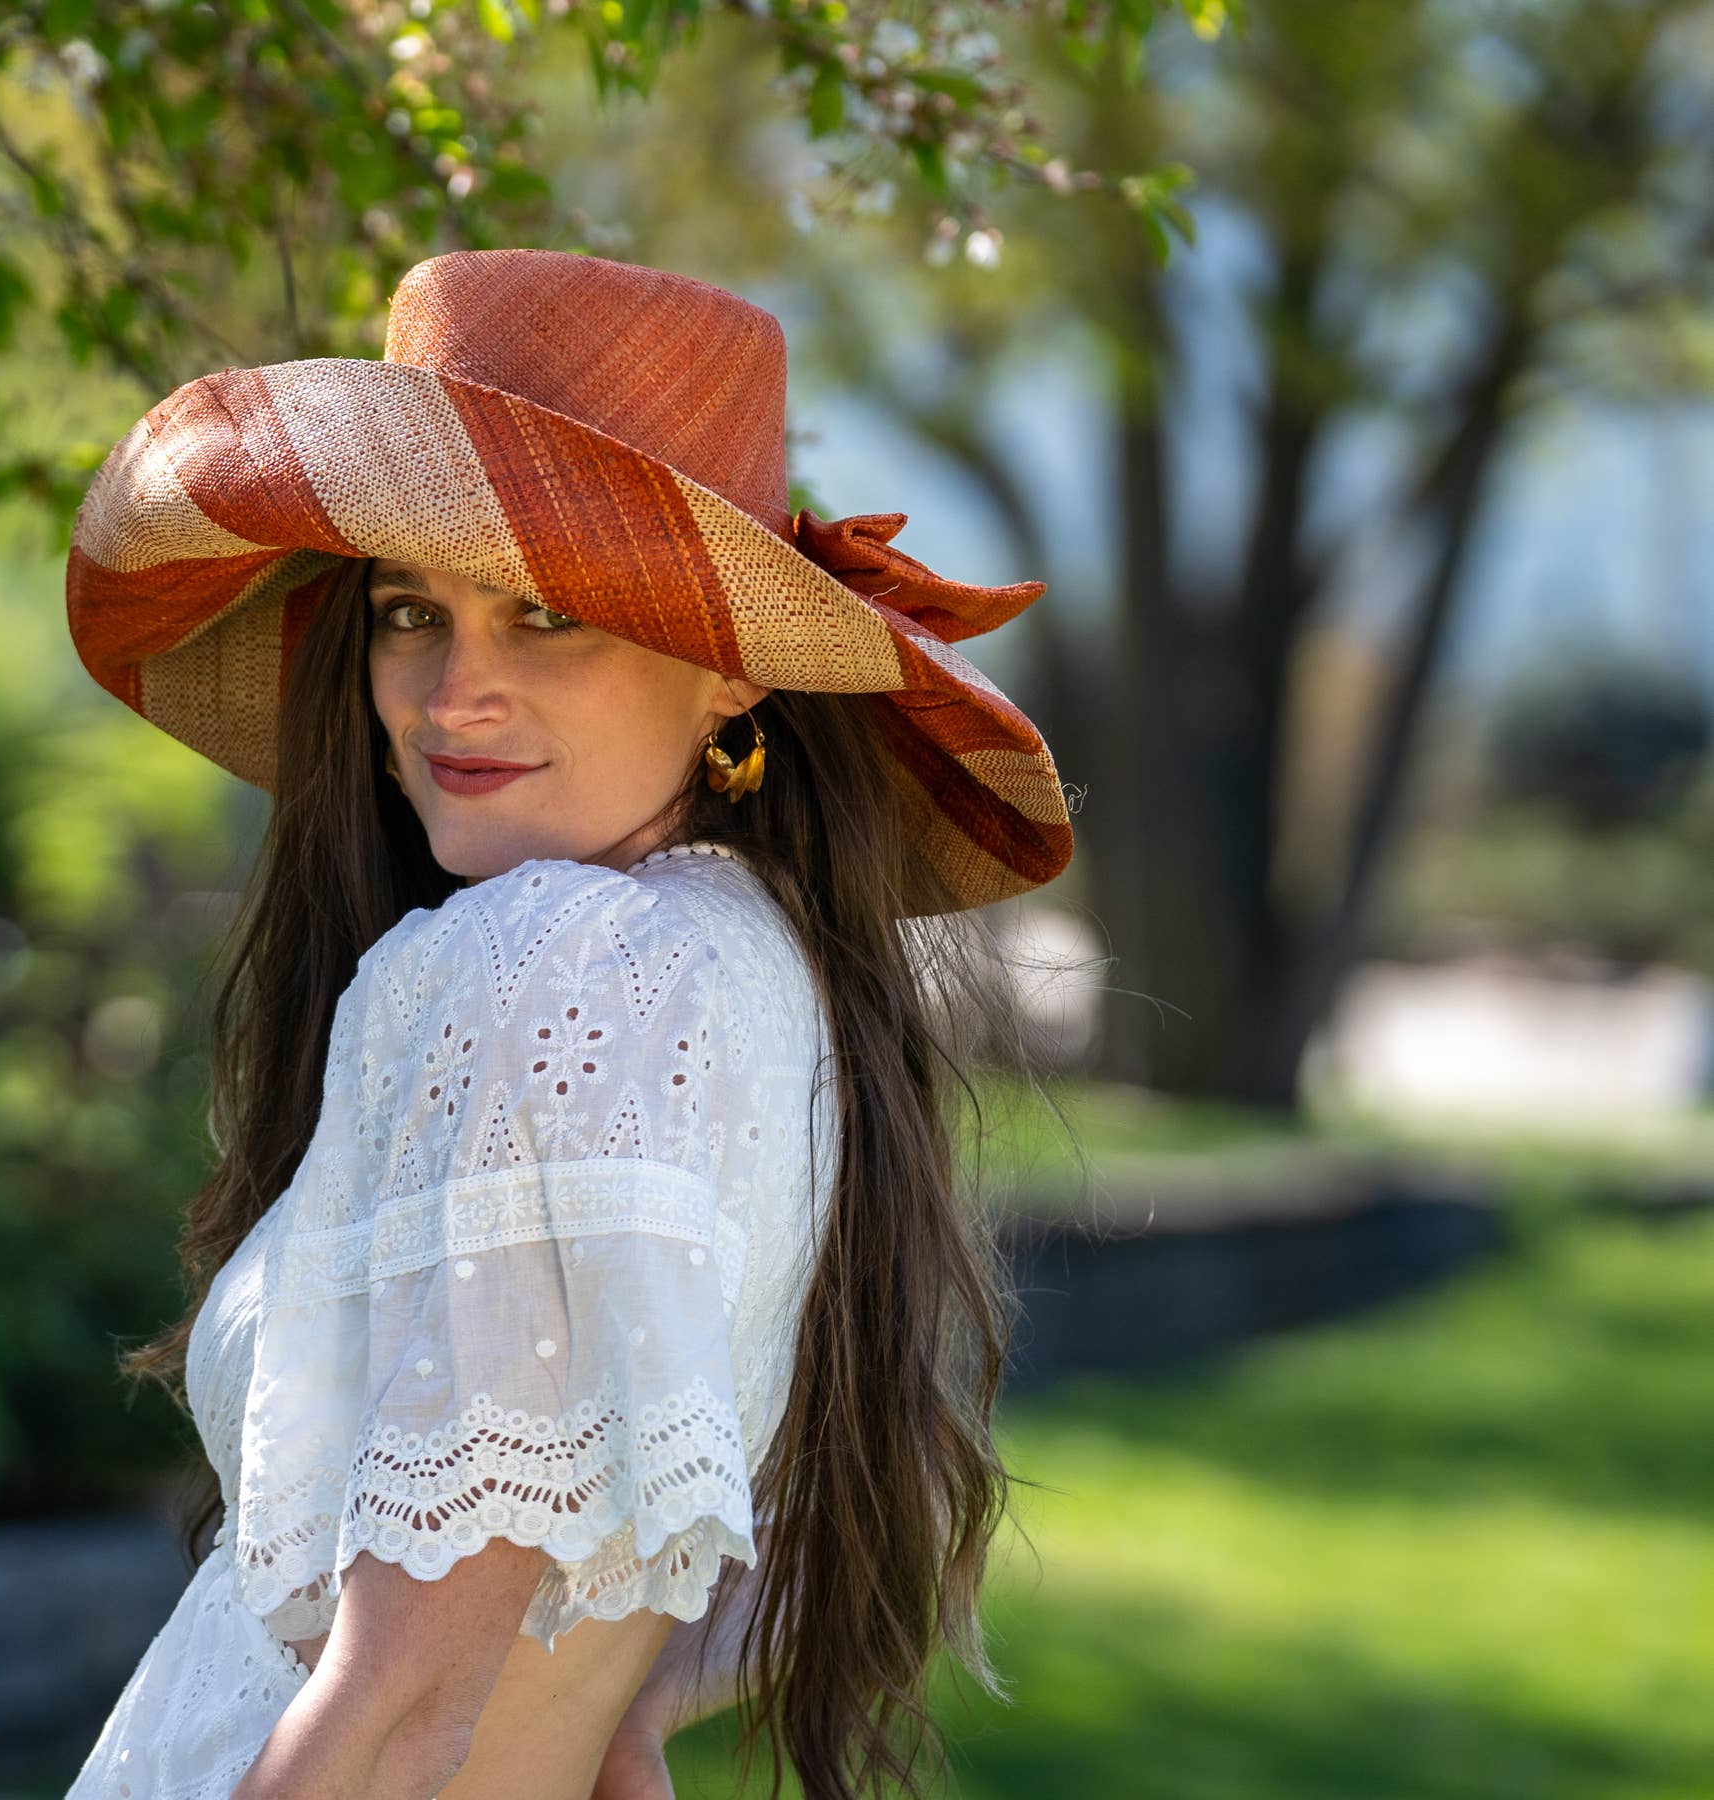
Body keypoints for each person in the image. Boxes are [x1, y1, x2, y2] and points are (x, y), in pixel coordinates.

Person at [55, 248, 1075, 1800]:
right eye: (410, 611)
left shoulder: (555, 965)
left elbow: (406, 1706)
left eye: (545, 614)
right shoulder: (754, 969)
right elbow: (751, 1516)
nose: (450, 690)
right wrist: (619, 1713)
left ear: (733, 672)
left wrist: (567, 1709)